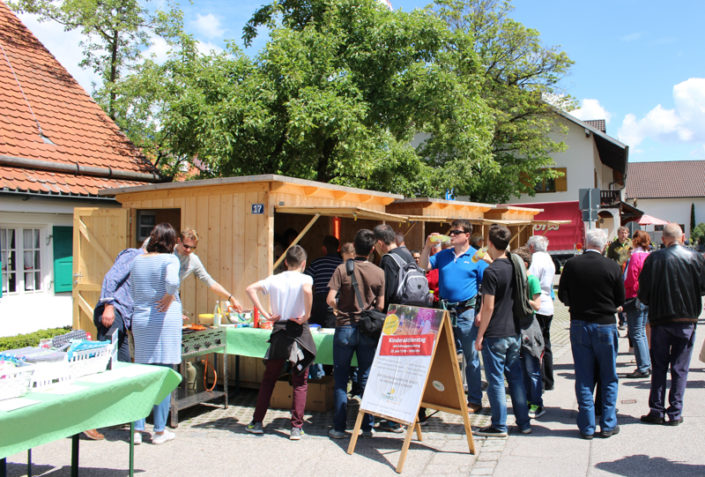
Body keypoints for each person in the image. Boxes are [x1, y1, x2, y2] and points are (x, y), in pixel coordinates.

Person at [558, 228, 624, 439]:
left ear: (585, 243)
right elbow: (620, 299)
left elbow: (562, 294)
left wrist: (575, 304)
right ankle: (607, 423)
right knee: (608, 376)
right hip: (605, 324)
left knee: (584, 377)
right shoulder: (612, 266)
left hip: (579, 323)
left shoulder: (572, 264)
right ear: (604, 245)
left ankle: (586, 427)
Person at [245, 245, 315, 440]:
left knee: (269, 379)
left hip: (279, 330)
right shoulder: (305, 278)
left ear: (285, 262)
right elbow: (307, 291)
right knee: (300, 381)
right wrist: (307, 315)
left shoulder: (274, 279)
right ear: (303, 264)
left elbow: (250, 288)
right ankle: (296, 427)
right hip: (299, 331)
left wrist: (266, 314)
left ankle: (257, 422)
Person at [638, 223, 705, 426]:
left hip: (660, 319)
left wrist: (652, 302)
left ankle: (656, 410)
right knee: (680, 367)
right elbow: (702, 288)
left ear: (663, 239)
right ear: (682, 237)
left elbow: (643, 292)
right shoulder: (694, 257)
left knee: (659, 366)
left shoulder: (654, 259)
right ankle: (675, 412)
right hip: (686, 319)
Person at [420, 219, 488, 414]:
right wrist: (427, 246)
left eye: (456, 232)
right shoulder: (443, 255)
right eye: (451, 232)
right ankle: (440, 396)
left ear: (467, 235)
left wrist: (481, 312)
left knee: (471, 356)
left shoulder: (476, 257)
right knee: (439, 356)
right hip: (443, 311)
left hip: (466, 312)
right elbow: (424, 266)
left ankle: (474, 399)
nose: (451, 235)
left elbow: (488, 286)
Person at [326, 229, 385, 439]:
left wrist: (339, 307)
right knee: (366, 376)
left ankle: (340, 428)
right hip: (368, 330)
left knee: (341, 378)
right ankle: (367, 426)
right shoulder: (379, 272)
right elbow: (380, 305)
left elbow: (330, 298)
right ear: (372, 249)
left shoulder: (342, 270)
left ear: (353, 247)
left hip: (344, 327)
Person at [474, 225, 531, 437]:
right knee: (515, 378)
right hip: (514, 331)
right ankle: (524, 422)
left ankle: (499, 425)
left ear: (489, 243)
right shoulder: (515, 266)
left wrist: (480, 335)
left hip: (495, 333)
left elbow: (488, 307)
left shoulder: (491, 272)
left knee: (496, 381)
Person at [85, 246, 145, 441]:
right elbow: (111, 278)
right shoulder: (134, 255)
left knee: (123, 366)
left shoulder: (145, 261)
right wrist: (109, 307)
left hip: (122, 318)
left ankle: (114, 414)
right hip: (113, 315)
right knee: (105, 366)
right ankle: (88, 420)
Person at [130, 223, 182, 445]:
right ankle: (159, 430)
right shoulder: (170, 259)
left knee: (143, 373)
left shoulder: (137, 260)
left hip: (140, 318)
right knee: (163, 374)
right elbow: (171, 281)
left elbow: (133, 289)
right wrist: (170, 295)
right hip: (163, 319)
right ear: (171, 242)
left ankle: (137, 428)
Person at [372, 224, 417, 433]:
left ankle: (393, 418)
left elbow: (389, 294)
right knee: (407, 368)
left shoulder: (388, 260)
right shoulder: (406, 253)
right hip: (413, 317)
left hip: (396, 318)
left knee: (392, 369)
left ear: (381, 243)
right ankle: (408, 413)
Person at [175, 228, 243, 312]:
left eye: (193, 248)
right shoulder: (167, 251)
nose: (188, 250)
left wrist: (232, 299)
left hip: (172, 296)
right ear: (179, 241)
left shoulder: (193, 260)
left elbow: (209, 281)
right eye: (186, 246)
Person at [513, 246, 546, 419]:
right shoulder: (513, 279)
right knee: (519, 369)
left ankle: (536, 403)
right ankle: (524, 401)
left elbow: (537, 305)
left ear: (524, 264)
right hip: (514, 326)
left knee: (532, 368)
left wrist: (522, 298)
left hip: (529, 327)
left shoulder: (531, 280)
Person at [526, 235, 556, 390]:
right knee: (546, 343)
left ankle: (540, 381)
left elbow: (530, 280)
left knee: (536, 345)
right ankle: (548, 379)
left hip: (538, 305)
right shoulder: (548, 258)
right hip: (548, 304)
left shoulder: (535, 259)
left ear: (531, 247)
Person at [623, 230, 652, 379]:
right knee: (642, 332)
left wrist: (626, 292)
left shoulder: (635, 256)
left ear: (636, 240)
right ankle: (646, 364)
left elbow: (631, 279)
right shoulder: (649, 256)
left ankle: (643, 367)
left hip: (635, 297)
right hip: (647, 297)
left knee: (636, 332)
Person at [305, 235, 342, 328]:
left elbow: (305, 280)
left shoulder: (317, 263)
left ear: (324, 248)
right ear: (338, 248)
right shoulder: (342, 264)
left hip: (318, 300)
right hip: (336, 301)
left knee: (315, 329)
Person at [606, 226, 631, 330]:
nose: (623, 235)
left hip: (629, 273)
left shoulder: (631, 244)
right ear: (618, 234)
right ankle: (622, 321)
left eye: (625, 233)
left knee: (629, 297)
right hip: (618, 274)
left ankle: (629, 319)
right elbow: (609, 259)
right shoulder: (613, 246)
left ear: (628, 234)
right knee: (620, 296)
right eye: (621, 233)